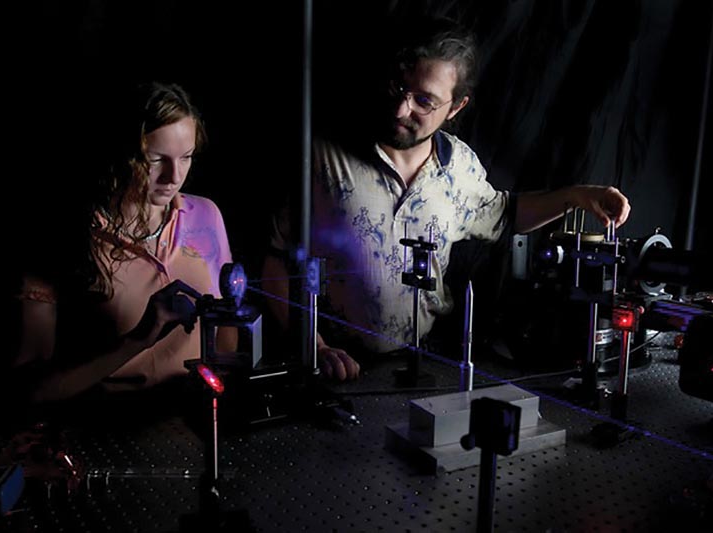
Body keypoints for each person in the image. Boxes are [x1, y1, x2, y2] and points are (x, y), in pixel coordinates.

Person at [261, 16, 630, 381]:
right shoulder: (323, 155)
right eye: (398, 88)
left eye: (424, 101)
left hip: (419, 363)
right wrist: (315, 346)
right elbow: (275, 260)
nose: (401, 110)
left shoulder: (461, 168)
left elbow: (504, 215)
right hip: (331, 364)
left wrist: (577, 196)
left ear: (455, 108)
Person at [8, 81, 233, 404]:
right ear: (121, 153)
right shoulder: (67, 237)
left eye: (186, 157)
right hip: (106, 427)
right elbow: (28, 390)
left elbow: (227, 333)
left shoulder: (206, 217)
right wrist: (139, 339)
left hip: (191, 420)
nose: (174, 176)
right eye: (155, 160)